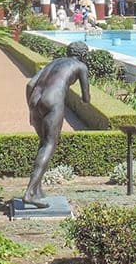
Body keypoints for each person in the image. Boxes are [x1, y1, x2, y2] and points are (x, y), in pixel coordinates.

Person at [23, 57, 90, 206]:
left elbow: (30, 84)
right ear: (83, 55)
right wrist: (85, 103)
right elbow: (86, 98)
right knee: (49, 145)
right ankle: (30, 193)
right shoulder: (81, 66)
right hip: (52, 99)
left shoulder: (54, 63)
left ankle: (37, 189)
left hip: (34, 99)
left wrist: (31, 109)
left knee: (43, 144)